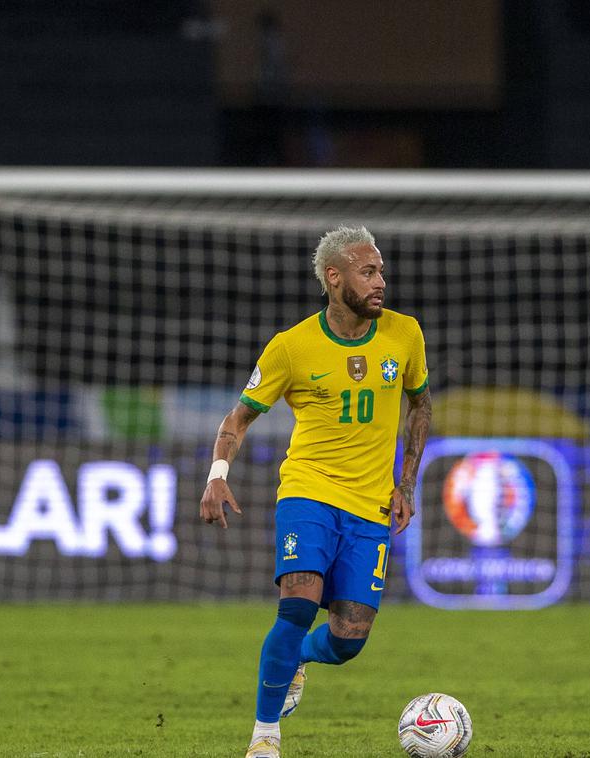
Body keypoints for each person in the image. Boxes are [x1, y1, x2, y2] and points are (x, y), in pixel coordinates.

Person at [199, 226, 432, 758]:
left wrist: (406, 483)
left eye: (381, 271)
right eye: (368, 272)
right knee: (298, 603)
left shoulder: (405, 334)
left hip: (370, 504)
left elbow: (421, 406)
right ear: (334, 278)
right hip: (307, 492)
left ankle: (299, 658)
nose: (381, 282)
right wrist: (217, 474)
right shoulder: (291, 346)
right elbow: (237, 419)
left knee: (349, 638)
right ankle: (264, 736)